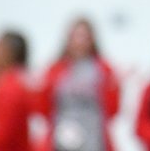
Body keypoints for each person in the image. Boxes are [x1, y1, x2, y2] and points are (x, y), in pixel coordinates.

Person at [36, 18, 121, 151]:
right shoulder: (55, 69)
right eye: (76, 36)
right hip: (61, 134)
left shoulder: (103, 69)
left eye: (84, 37)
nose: (79, 42)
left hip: (94, 136)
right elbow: (43, 108)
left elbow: (112, 109)